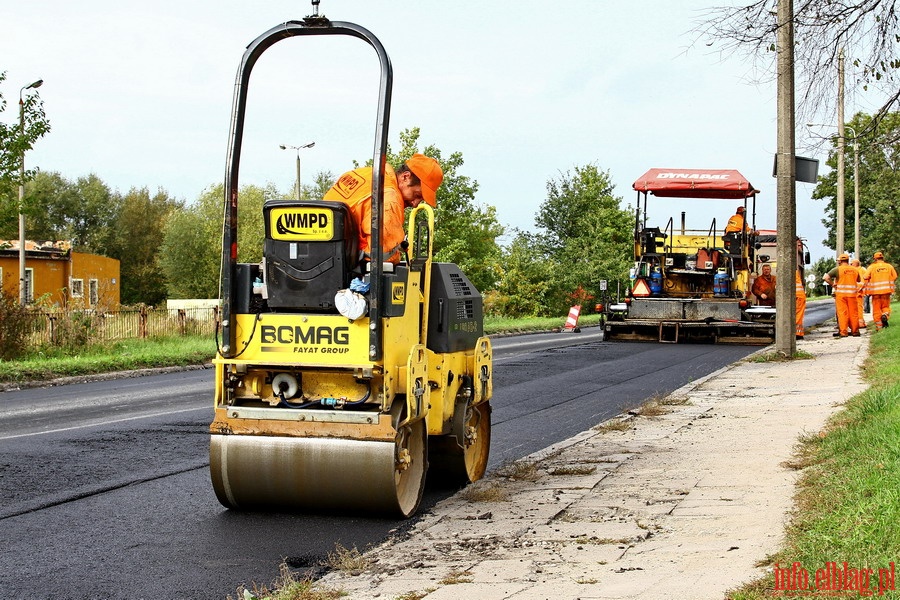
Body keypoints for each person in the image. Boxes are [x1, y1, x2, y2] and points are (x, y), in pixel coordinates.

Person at [323, 154, 443, 264]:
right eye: (417, 195)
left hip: (318, 253)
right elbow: (382, 256)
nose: (416, 204)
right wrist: (396, 252)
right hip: (342, 267)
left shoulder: (363, 174)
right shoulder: (389, 200)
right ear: (406, 177)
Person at [823, 253, 862, 337]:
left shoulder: (837, 269)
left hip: (841, 295)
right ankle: (855, 331)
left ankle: (843, 332)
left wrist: (832, 284)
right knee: (854, 313)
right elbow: (858, 280)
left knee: (842, 313)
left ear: (840, 261)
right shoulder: (855, 270)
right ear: (848, 260)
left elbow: (825, 277)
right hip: (852, 295)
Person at [865, 251, 897, 331]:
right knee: (885, 307)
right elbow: (895, 276)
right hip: (886, 291)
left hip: (875, 292)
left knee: (877, 309)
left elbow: (865, 276)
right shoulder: (889, 266)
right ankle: (885, 315)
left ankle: (879, 327)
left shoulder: (871, 267)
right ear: (883, 257)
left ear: (874, 259)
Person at [851, 258, 868, 330]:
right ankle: (860, 322)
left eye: (851, 263)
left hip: (855, 292)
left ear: (854, 264)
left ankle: (858, 323)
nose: (850, 264)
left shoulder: (853, 270)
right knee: (859, 308)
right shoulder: (863, 270)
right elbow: (866, 279)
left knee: (855, 309)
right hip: (859, 292)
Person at [795, 267, 806, 339]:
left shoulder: (787, 271)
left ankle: (797, 333)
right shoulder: (794, 271)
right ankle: (797, 333)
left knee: (797, 315)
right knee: (798, 315)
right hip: (799, 296)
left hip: (797, 296)